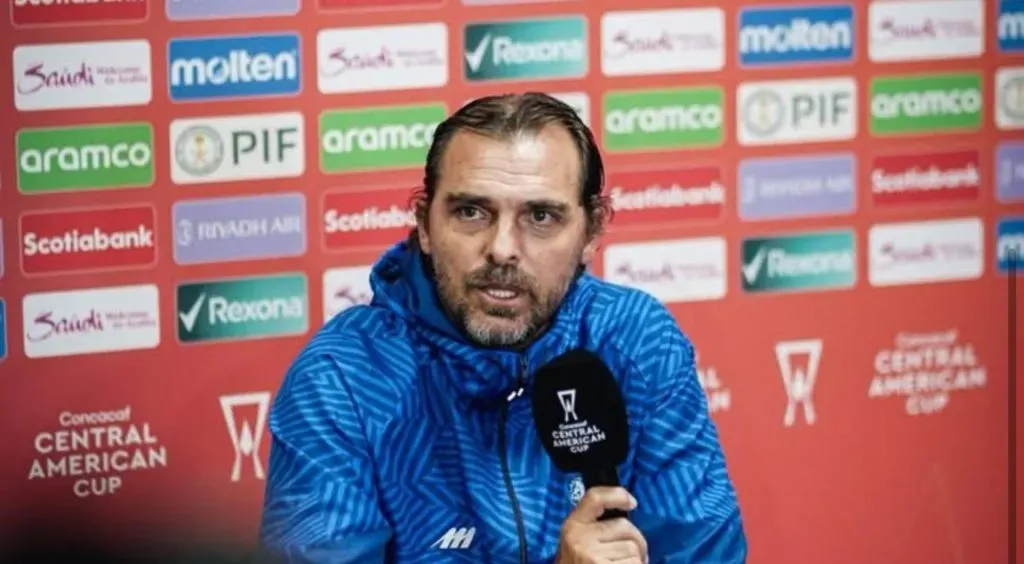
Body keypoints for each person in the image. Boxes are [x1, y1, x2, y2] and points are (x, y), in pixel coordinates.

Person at [258, 92, 748, 563]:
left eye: (540, 216)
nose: (502, 248)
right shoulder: (342, 379)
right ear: (425, 224)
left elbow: (704, 552)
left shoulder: (637, 342)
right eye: (471, 212)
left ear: (591, 233)